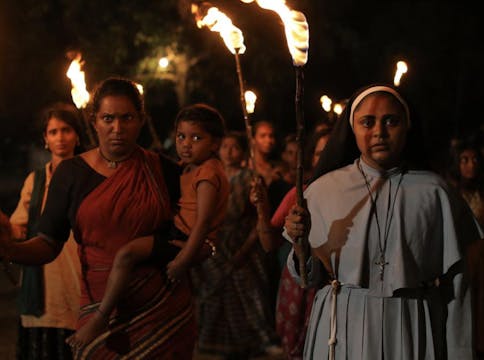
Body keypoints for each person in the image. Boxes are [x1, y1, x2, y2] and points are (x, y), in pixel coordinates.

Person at [0, 77, 197, 358]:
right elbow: (47, 243)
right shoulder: (70, 174)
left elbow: (188, 235)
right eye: (108, 118)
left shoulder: (164, 171)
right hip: (98, 311)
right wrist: (11, 250)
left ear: (141, 119)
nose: (117, 129)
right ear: (94, 121)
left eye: (127, 118)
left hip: (162, 311)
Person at [283, 84, 481, 359]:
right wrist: (301, 246)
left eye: (391, 121)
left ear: (407, 126)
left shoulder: (436, 192)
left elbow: (458, 286)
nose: (379, 131)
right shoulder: (323, 190)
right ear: (353, 128)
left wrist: (460, 351)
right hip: (343, 324)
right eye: (368, 122)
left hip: (410, 321)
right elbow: (309, 279)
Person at [66, 103, 229, 347]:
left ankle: (101, 317)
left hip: (183, 240)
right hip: (175, 234)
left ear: (215, 143)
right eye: (181, 136)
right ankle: (121, 324)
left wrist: (183, 259)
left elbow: (203, 223)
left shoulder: (207, 174)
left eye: (196, 138)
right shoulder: (189, 169)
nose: (186, 144)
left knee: (126, 254)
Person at [193, 131, 278, 358]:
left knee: (246, 295)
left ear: (242, 151)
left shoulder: (251, 179)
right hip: (215, 247)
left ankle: (257, 341)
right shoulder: (211, 178)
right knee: (214, 295)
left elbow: (258, 220)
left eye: (235, 147)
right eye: (225, 147)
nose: (229, 152)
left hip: (243, 247)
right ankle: (213, 343)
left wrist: (244, 250)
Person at [9, 103, 83, 359]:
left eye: (66, 130)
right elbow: (18, 228)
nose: (60, 137)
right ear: (45, 139)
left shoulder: (90, 176)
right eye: (53, 132)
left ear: (78, 136)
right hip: (43, 285)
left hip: (80, 280)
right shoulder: (36, 180)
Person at [251, 128, 331, 359]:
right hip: (300, 283)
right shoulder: (301, 194)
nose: (325, 158)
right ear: (311, 159)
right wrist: (262, 208)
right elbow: (269, 242)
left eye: (330, 151)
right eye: (319, 153)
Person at [446, 138, 484, 358]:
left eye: (474, 160)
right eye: (464, 160)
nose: (470, 164)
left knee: (483, 313)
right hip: (458, 258)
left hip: (483, 260)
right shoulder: (449, 193)